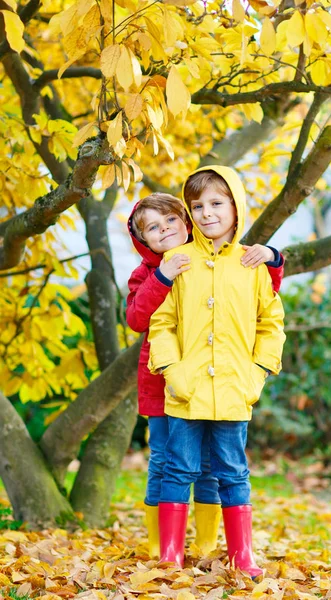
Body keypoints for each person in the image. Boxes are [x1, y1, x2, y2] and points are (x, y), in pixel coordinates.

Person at [126, 192, 284, 560]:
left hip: (219, 383)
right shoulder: (153, 270)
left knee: (215, 464)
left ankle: (209, 542)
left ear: (186, 222)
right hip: (163, 384)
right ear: (141, 239)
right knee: (167, 460)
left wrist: (274, 256)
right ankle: (161, 546)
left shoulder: (216, 260)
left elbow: (261, 294)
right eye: (153, 227)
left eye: (171, 221)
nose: (165, 230)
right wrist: (162, 276)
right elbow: (140, 320)